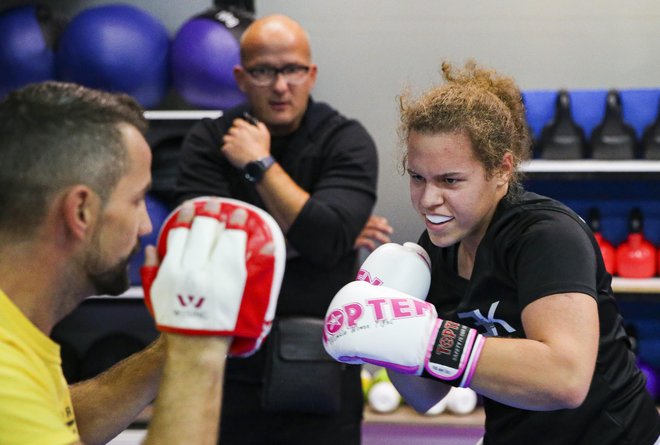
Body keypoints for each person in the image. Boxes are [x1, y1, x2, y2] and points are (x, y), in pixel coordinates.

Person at [322, 60, 660, 444]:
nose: (428, 200)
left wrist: (426, 337)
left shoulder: (546, 236)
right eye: (417, 177)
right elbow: (425, 396)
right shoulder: (434, 251)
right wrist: (383, 335)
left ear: (501, 170)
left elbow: (566, 380)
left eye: (450, 180)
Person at [0, 81, 281, 445]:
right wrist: (199, 350)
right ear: (81, 211)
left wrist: (173, 346)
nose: (148, 225)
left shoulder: (16, 338)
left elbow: (65, 424)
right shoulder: (6, 374)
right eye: (137, 200)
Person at [174, 13, 382, 445]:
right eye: (264, 71)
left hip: (321, 364)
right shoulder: (208, 141)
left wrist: (260, 165)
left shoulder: (345, 140)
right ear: (241, 76)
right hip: (226, 364)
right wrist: (315, 231)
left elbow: (325, 241)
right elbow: (205, 256)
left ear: (312, 74)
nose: (281, 85)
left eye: (291, 69)